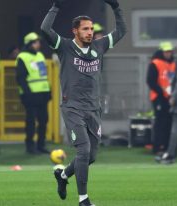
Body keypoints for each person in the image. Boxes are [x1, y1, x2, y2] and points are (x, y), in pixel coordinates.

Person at [41, 0, 126, 205]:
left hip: (93, 109)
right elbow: (45, 29)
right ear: (75, 31)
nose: (90, 32)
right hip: (73, 108)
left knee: (91, 156)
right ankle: (83, 199)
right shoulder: (65, 46)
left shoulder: (100, 45)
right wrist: (56, 6)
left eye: (91, 29)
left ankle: (62, 176)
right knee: (83, 150)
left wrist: (115, 7)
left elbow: (122, 30)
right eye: (85, 29)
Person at [15, 32, 51, 154]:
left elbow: (43, 75)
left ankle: (41, 145)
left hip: (42, 93)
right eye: (35, 42)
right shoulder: (22, 57)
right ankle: (30, 146)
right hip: (30, 94)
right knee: (31, 121)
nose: (38, 44)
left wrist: (48, 90)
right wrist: (27, 93)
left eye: (38, 42)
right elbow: (20, 78)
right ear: (29, 44)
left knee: (44, 120)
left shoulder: (40, 55)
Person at [147, 41, 175, 160]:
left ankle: (168, 147)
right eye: (166, 51)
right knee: (160, 123)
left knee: (170, 123)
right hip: (159, 98)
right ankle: (158, 147)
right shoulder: (155, 63)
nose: (168, 53)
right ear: (161, 51)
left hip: (171, 98)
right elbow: (151, 81)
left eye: (170, 51)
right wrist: (162, 92)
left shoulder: (174, 63)